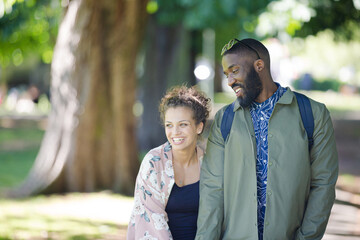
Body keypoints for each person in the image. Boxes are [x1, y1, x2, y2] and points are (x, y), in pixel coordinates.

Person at [196, 38, 338, 240]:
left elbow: (323, 184)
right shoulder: (225, 119)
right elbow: (212, 188)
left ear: (259, 66)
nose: (229, 81)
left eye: (235, 71)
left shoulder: (313, 114)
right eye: (227, 74)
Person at [127, 86, 211, 240]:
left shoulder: (209, 163)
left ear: (199, 127)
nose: (175, 132)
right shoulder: (153, 163)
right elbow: (149, 221)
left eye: (183, 124)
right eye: (169, 125)